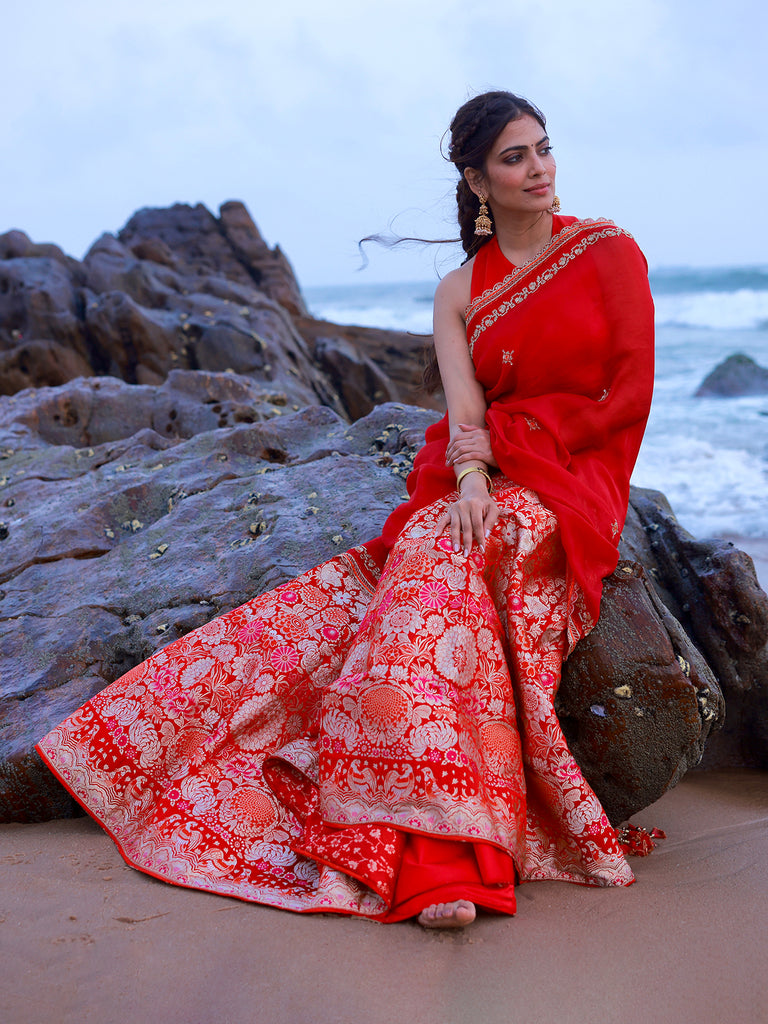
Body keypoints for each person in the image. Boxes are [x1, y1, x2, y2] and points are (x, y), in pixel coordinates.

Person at [37, 91, 655, 930]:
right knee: (416, 570)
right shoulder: (460, 290)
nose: (539, 169)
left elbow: (627, 397)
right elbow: (463, 412)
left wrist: (506, 451)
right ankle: (415, 843)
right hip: (488, 476)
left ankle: (443, 853)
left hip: (574, 479)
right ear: (477, 180)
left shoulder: (607, 251)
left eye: (542, 149)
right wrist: (472, 482)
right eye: (515, 158)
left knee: (449, 575)